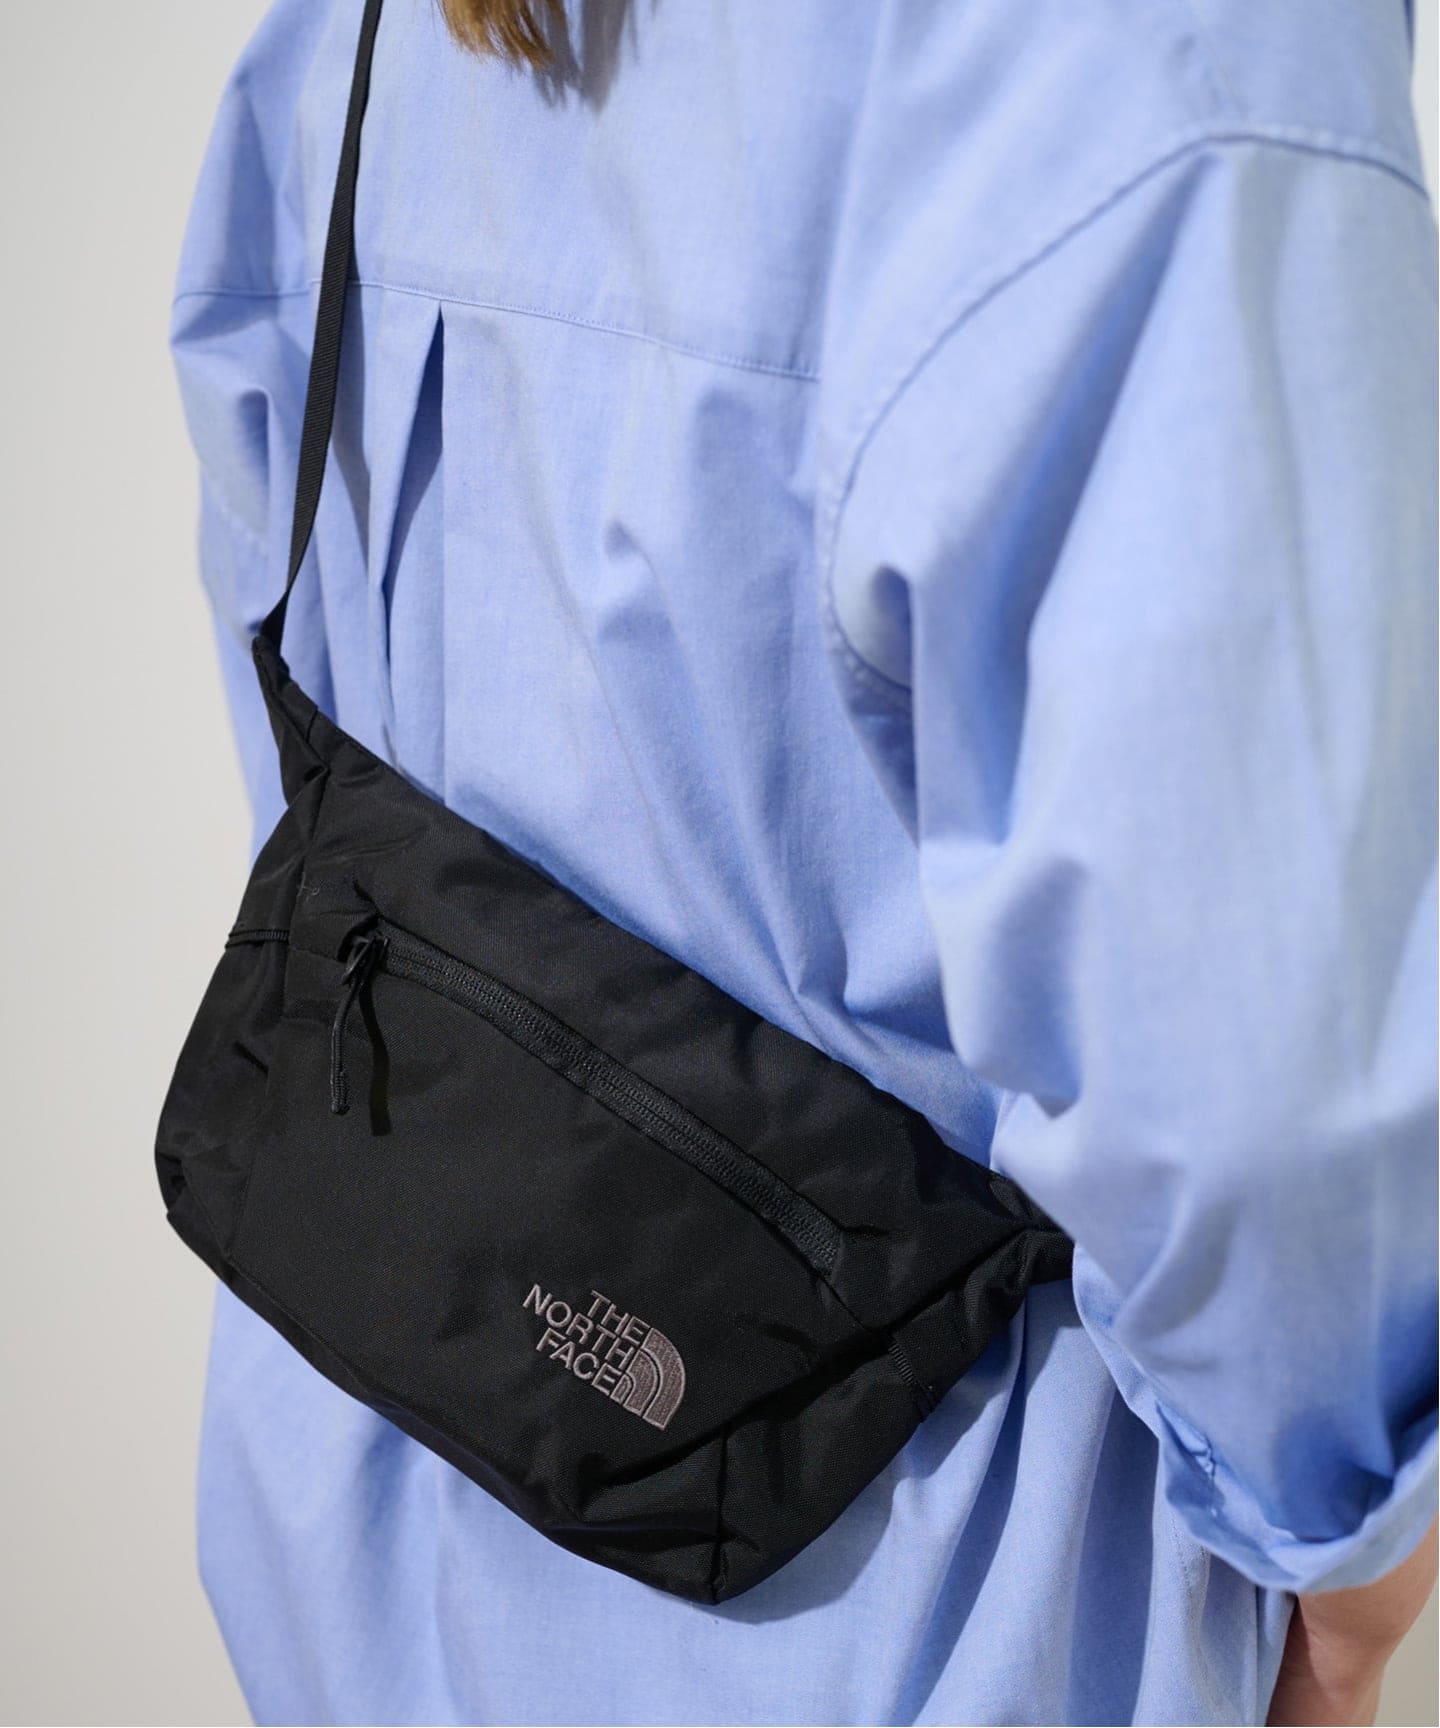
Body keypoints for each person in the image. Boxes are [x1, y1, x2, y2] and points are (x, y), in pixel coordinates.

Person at [169, 1, 1437, 1721]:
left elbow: (287, 647)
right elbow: (1253, 1053)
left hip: (350, 1545)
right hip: (931, 1614)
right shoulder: (1166, 41)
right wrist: (1355, 1567)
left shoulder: (354, 27)